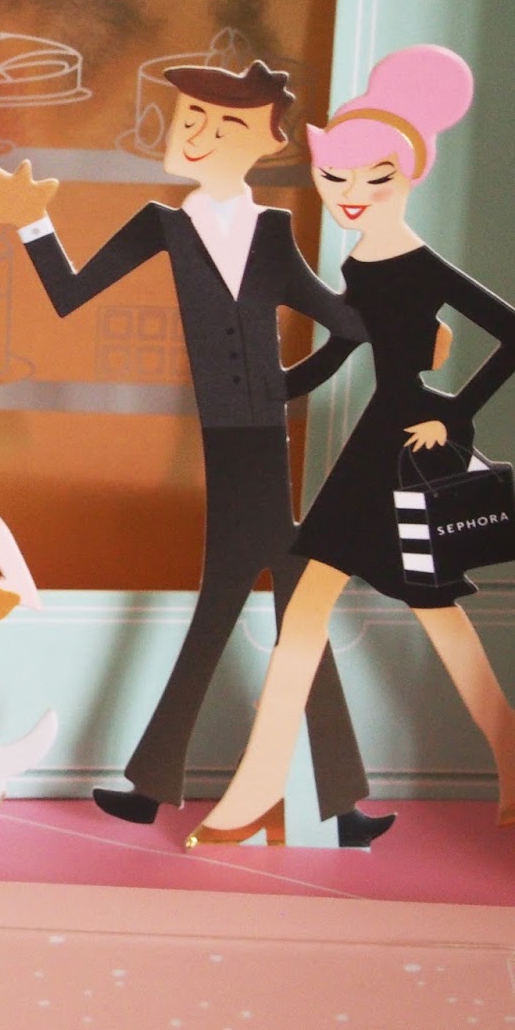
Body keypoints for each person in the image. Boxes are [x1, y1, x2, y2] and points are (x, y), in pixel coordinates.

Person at [0, 60, 391, 847]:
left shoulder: (273, 233)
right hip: (232, 449)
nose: (197, 135)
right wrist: (33, 224)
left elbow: (349, 326)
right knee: (277, 610)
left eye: (223, 125)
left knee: (250, 608)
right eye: (191, 118)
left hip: (260, 445)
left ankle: (169, 790)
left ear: (267, 142)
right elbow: (70, 293)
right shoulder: (161, 225)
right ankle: (332, 806)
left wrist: (289, 384)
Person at [189, 44, 515, 846]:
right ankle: (258, 790)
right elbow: (341, 350)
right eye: (336, 178)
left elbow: (511, 334)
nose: (352, 196)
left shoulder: (423, 265)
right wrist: (267, 387)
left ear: (411, 176)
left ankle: (261, 793)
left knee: (432, 616)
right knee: (325, 616)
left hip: (409, 452)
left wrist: (456, 415)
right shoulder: (362, 263)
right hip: (374, 449)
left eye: (376, 179)